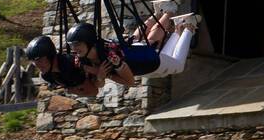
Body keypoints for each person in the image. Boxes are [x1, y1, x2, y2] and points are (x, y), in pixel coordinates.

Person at [66, 17, 198, 89]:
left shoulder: (112, 57)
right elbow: (97, 84)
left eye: (77, 44)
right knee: (168, 59)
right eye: (72, 45)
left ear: (89, 42)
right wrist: (100, 75)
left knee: (178, 66)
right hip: (143, 63)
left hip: (148, 62)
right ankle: (179, 27)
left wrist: (103, 74)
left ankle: (189, 28)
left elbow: (130, 81)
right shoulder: (84, 60)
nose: (74, 49)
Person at [24, 35, 100, 96]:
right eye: (34, 61)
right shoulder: (47, 76)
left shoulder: (69, 66)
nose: (37, 65)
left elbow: (93, 91)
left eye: (40, 60)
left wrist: (72, 90)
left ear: (51, 56)